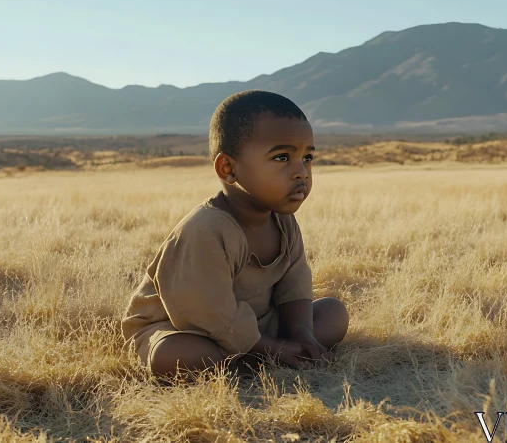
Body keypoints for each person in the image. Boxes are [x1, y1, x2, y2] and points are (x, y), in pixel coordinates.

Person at [121, 90, 349, 377]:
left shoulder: (283, 221)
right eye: (282, 157)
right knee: (174, 357)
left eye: (307, 157)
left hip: (255, 323)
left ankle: (254, 358)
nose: (301, 171)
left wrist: (303, 334)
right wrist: (273, 348)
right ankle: (257, 358)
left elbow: (295, 284)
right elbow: (205, 311)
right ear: (228, 169)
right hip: (187, 327)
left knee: (333, 313)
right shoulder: (206, 229)